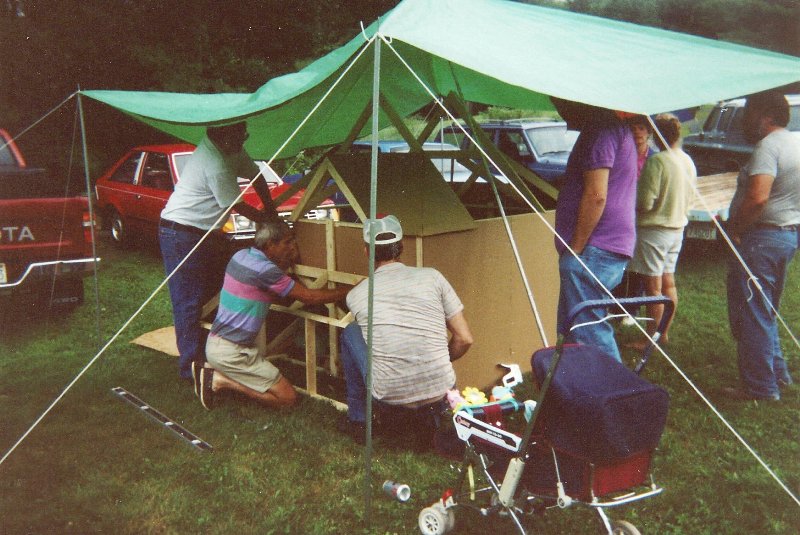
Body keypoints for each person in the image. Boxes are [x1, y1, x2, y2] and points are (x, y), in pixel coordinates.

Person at [159, 122, 279, 381]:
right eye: (239, 137)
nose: (243, 142)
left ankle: (215, 354)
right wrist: (269, 221)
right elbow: (237, 205)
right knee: (188, 301)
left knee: (217, 291)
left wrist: (272, 209)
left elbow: (256, 176)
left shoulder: (231, 148)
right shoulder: (215, 164)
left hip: (204, 232)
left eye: (245, 136)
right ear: (221, 137)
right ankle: (190, 368)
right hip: (180, 232)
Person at [340, 215, 474, 448]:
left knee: (351, 332)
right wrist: (435, 359)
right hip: (442, 392)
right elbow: (465, 339)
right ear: (402, 247)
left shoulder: (357, 294)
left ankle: (360, 421)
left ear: (366, 251)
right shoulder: (433, 277)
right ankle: (425, 413)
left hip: (389, 397)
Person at [195, 221, 350, 410]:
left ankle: (215, 372)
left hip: (216, 344)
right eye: (287, 243)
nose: (292, 247)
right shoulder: (266, 271)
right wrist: (351, 290)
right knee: (288, 399)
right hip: (233, 353)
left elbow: (274, 280)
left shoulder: (241, 256)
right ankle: (219, 381)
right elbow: (310, 297)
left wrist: (286, 260)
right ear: (270, 245)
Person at [725, 91, 800, 401]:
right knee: (766, 310)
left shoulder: (767, 147)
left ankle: (760, 388)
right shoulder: (795, 142)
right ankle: (778, 375)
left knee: (753, 312)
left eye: (751, 112)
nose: (747, 119)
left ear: (766, 116)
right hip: (787, 234)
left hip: (761, 238)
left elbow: (757, 196)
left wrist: (736, 229)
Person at [551, 97, 638, 362]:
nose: (559, 109)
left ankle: (616, 397)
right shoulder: (611, 128)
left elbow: (596, 195)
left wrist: (575, 249)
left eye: (560, 102)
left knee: (588, 331)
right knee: (573, 331)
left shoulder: (600, 129)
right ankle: (577, 395)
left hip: (594, 248)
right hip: (603, 246)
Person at [627, 113, 697, 348]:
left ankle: (651, 339)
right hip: (677, 228)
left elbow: (645, 202)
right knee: (669, 283)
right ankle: (662, 334)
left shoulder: (657, 161)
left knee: (653, 287)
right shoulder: (686, 159)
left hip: (655, 231)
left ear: (656, 135)